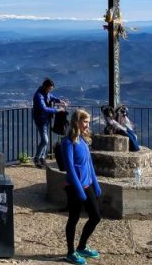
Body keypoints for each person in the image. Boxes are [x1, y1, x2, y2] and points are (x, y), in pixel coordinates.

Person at [61, 109, 102, 264]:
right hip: (74, 186)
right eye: (85, 121)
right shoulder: (68, 141)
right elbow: (70, 167)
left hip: (87, 184)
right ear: (76, 122)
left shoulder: (83, 140)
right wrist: (79, 189)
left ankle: (81, 247)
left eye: (88, 122)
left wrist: (95, 184)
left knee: (96, 217)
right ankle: (71, 252)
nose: (87, 124)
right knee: (73, 218)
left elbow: (89, 164)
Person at [32, 78, 66, 168]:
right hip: (40, 120)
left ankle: (42, 158)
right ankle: (37, 158)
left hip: (46, 119)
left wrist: (59, 101)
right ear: (45, 87)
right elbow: (44, 109)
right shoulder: (38, 96)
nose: (50, 90)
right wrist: (57, 110)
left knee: (45, 140)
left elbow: (51, 96)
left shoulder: (45, 93)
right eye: (49, 88)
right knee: (45, 140)